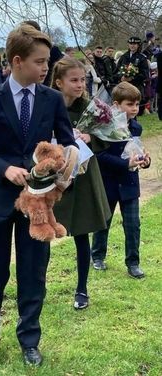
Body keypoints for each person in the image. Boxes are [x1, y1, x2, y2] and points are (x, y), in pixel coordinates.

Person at [0, 24, 77, 369]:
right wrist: (4, 169)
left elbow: (66, 140)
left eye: (47, 61)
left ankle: (29, 340)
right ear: (17, 61)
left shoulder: (52, 99)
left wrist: (68, 164)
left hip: (39, 204)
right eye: (40, 62)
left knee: (34, 271)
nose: (47, 68)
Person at [51, 58, 111, 309]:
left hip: (84, 177)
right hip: (54, 177)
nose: (80, 85)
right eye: (74, 80)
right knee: (44, 234)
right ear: (59, 82)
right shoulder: (49, 105)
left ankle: (82, 289)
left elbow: (107, 136)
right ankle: (37, 284)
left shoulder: (92, 108)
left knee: (82, 235)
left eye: (83, 80)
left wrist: (90, 137)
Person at [91, 82, 151, 278]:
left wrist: (144, 160)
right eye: (129, 104)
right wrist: (125, 164)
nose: (134, 108)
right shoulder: (103, 127)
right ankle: (97, 255)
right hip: (108, 182)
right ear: (116, 105)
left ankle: (133, 262)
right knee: (103, 222)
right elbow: (100, 157)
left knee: (133, 225)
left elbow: (135, 152)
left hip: (129, 183)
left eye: (136, 104)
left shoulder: (136, 127)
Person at [116, 37, 149, 115]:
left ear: (138, 45)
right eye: (131, 44)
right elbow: (116, 72)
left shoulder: (142, 58)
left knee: (133, 111)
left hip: (136, 87)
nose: (132, 46)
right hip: (123, 88)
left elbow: (145, 74)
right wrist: (121, 77)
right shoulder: (123, 57)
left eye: (134, 44)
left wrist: (132, 78)